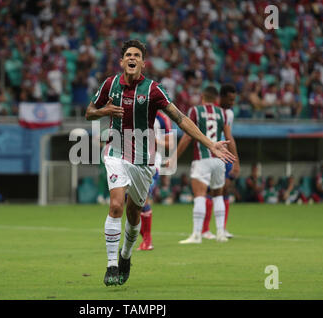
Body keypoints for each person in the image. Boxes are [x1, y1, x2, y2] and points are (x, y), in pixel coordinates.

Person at [85, 40, 235, 287]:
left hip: (144, 161)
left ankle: (125, 256)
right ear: (122, 61)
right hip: (116, 153)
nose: (132, 58)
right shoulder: (109, 85)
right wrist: (104, 112)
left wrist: (209, 143)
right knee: (115, 206)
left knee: (134, 214)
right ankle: (111, 264)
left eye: (137, 55)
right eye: (128, 55)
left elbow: (181, 118)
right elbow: (90, 111)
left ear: (143, 63)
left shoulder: (153, 89)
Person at [174, 85, 238, 245]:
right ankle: (221, 233)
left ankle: (196, 235)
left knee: (200, 195)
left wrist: (174, 156)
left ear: (202, 96)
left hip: (202, 158)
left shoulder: (195, 111)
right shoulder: (222, 113)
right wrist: (235, 160)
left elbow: (188, 137)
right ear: (216, 99)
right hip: (219, 158)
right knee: (218, 195)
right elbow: (230, 137)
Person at [201, 84, 240, 240]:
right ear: (221, 97)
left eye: (234, 100)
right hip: (211, 154)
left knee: (225, 189)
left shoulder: (229, 113)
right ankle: (205, 229)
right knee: (211, 191)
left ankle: (221, 228)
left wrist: (235, 160)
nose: (232, 103)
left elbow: (229, 137)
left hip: (225, 154)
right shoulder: (212, 111)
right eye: (230, 99)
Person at [138, 110, 173, 251]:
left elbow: (169, 144)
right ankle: (144, 238)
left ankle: (147, 240)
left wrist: (153, 140)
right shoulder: (136, 111)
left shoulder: (162, 118)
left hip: (152, 164)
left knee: (143, 198)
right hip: (132, 161)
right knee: (131, 203)